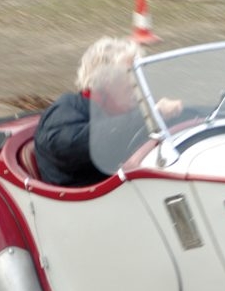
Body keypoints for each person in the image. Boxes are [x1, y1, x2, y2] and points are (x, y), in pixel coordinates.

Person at [34, 37, 181, 187]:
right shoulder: (64, 111)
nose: (137, 86)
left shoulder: (125, 113)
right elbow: (80, 145)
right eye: (130, 76)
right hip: (86, 205)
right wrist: (149, 116)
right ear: (105, 81)